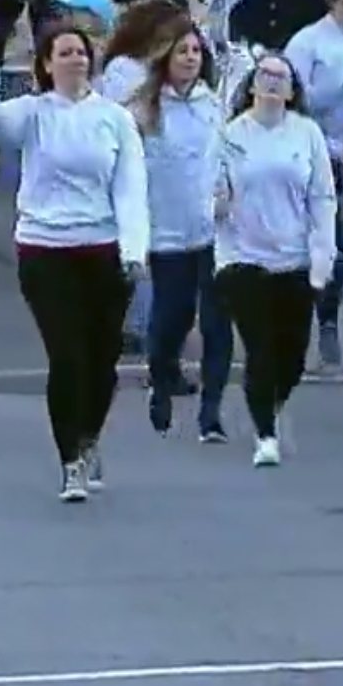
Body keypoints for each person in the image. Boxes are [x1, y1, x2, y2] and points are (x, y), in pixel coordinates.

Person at [0, 24, 149, 502]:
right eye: (65, 52)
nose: (76, 59)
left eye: (81, 52)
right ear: (46, 63)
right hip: (44, 248)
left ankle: (90, 436)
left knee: (102, 361)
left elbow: (130, 187)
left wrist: (134, 251)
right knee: (68, 356)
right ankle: (70, 459)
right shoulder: (32, 113)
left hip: (102, 247)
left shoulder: (114, 119)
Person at [214, 55, 337, 467]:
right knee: (260, 347)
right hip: (242, 256)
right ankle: (265, 433)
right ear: (251, 85)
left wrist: (323, 255)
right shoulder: (231, 134)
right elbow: (211, 191)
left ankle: (272, 402)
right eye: (264, 75)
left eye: (280, 77)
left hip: (295, 257)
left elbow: (322, 197)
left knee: (293, 354)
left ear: (291, 90)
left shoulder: (307, 133)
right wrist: (216, 203)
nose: (271, 83)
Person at [128, 22, 232, 442]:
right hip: (167, 232)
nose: (190, 58)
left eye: (196, 51)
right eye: (182, 51)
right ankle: (161, 379)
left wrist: (227, 192)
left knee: (217, 322)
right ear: (165, 58)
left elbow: (228, 155)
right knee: (173, 316)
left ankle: (211, 413)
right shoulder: (144, 110)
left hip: (214, 232)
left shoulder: (215, 105)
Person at [282, 0, 343, 370]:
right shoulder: (308, 43)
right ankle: (327, 321)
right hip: (327, 157)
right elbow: (298, 101)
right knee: (334, 247)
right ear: (332, 2)